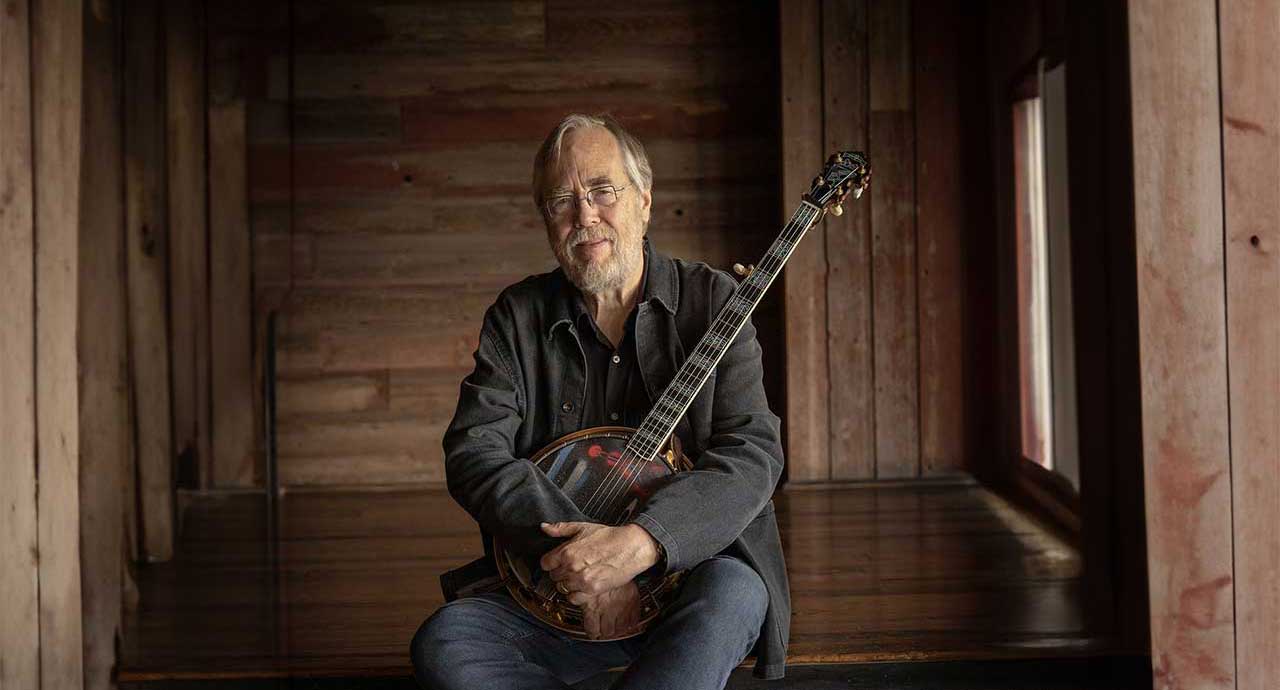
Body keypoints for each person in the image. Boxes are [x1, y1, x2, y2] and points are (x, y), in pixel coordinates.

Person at [410, 114, 790, 690]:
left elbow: (751, 454)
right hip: (555, 599)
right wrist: (584, 566)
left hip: (688, 582)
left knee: (737, 592)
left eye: (602, 191)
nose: (584, 214)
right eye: (562, 200)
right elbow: (473, 450)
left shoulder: (716, 301)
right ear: (546, 221)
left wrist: (639, 547)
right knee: (446, 642)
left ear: (643, 199)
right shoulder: (517, 317)